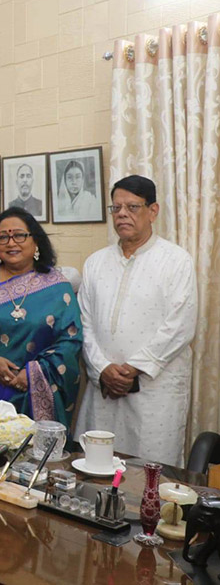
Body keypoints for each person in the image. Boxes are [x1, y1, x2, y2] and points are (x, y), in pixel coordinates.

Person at [75, 175, 196, 466]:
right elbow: (84, 324)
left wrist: (132, 369)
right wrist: (104, 369)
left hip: (154, 394)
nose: (122, 215)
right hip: (103, 389)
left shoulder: (176, 260)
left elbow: (180, 325)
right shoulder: (96, 262)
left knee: (149, 477)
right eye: (116, 208)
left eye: (132, 207)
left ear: (153, 211)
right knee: (94, 473)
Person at [0, 207, 82, 427]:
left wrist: (32, 373)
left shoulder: (57, 284)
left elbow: (70, 340)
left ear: (36, 242)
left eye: (19, 235)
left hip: (41, 385)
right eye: (3, 237)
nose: (11, 243)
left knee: (37, 453)